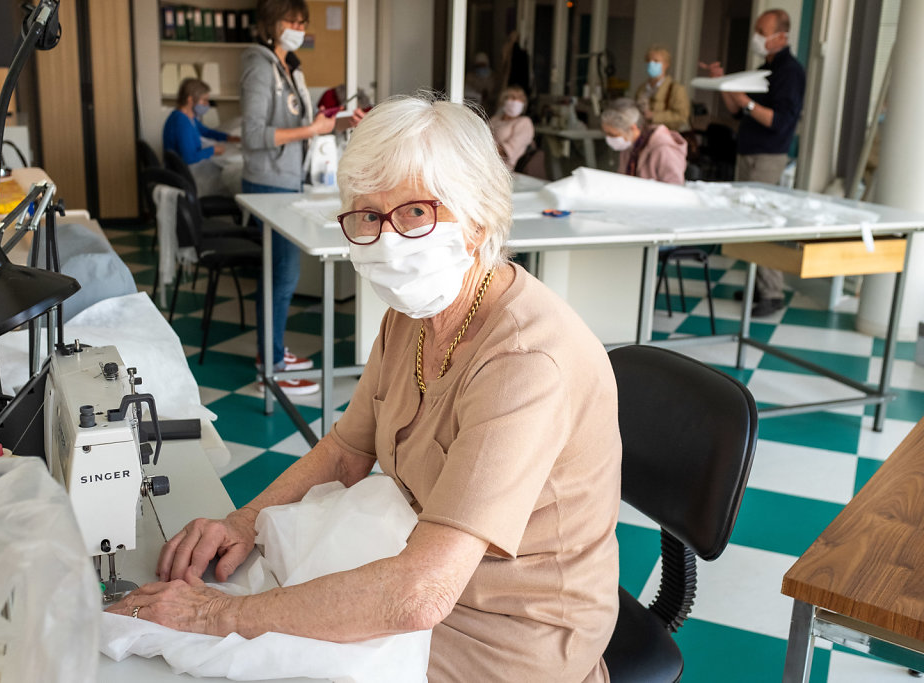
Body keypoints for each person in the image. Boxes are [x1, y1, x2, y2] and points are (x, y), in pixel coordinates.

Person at [109, 94, 622, 683]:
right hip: (430, 570)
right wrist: (242, 523)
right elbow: (348, 451)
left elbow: (418, 597)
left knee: (220, 646)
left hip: (507, 630)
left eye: (414, 214)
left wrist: (225, 615)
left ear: (479, 217)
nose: (388, 241)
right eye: (368, 216)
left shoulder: (526, 363)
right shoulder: (412, 318)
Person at [238, 0, 338, 395]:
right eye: (291, 20)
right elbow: (254, 135)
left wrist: (328, 122)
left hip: (287, 179)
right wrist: (311, 131)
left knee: (280, 274)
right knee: (282, 275)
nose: (298, 26)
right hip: (270, 182)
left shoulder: (287, 65)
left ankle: (272, 351)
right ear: (270, 22)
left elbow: (295, 121)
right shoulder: (259, 66)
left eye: (302, 21)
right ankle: (272, 368)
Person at [700, 8, 805, 316]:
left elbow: (777, 121)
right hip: (748, 152)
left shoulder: (791, 73)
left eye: (763, 31)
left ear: (781, 36)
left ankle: (772, 293)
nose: (757, 37)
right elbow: (738, 111)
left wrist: (745, 99)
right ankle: (758, 287)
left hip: (768, 156)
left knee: (763, 224)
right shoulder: (764, 69)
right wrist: (724, 85)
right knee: (748, 222)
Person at [601, 98, 687, 185]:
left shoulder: (664, 149)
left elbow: (675, 189)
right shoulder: (629, 145)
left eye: (612, 134)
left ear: (633, 128)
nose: (608, 138)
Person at [162, 78, 240, 165]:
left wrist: (227, 137)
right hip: (183, 172)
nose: (207, 104)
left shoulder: (188, 117)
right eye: (204, 100)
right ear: (190, 100)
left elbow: (205, 131)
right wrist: (212, 150)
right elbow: (189, 158)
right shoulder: (181, 121)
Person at [634, 44, 691, 132]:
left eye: (656, 61)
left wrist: (654, 116)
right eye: (649, 61)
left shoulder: (676, 89)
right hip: (643, 136)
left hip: (666, 136)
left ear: (666, 64)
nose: (651, 64)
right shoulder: (642, 88)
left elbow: (682, 117)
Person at [490, 85, 535, 171]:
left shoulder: (524, 122)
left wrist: (484, 148)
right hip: (486, 161)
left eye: (520, 98)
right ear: (504, 100)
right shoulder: (495, 119)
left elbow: (507, 151)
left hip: (503, 168)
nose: (516, 101)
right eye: (512, 97)